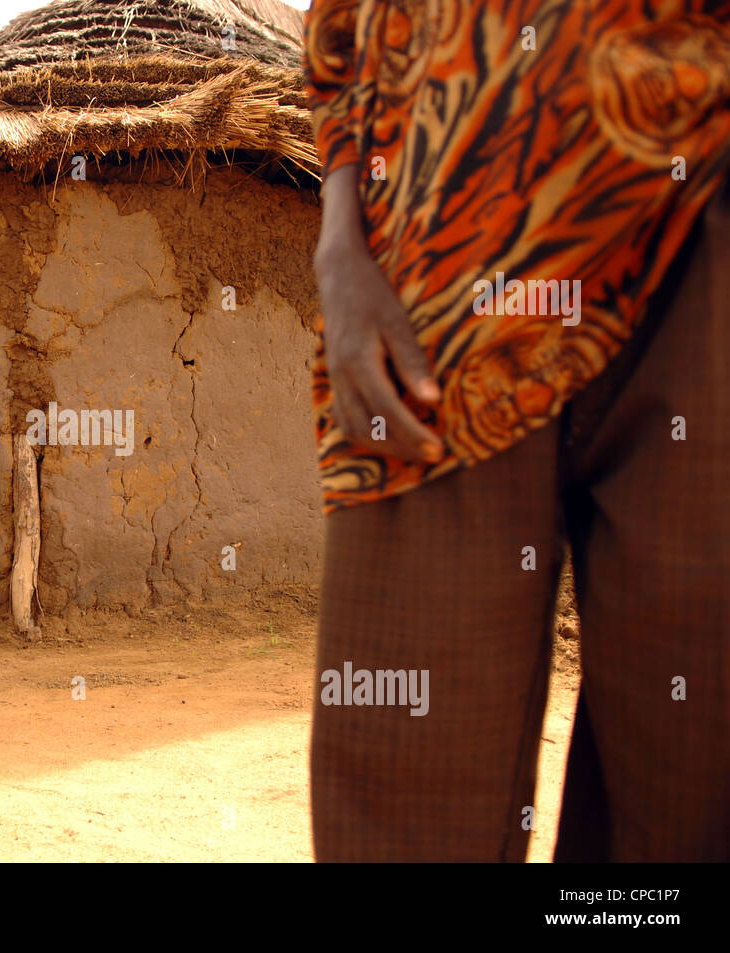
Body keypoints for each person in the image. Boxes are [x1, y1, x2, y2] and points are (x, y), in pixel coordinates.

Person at [304, 0, 729, 860]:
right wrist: (338, 243)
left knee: (690, 780)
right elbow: (338, 36)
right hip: (436, 275)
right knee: (399, 772)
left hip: (702, 219)